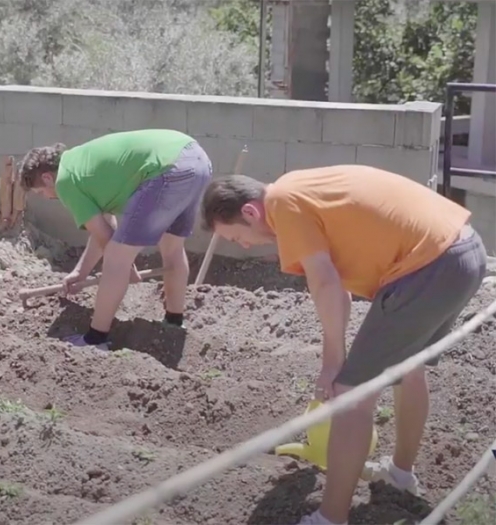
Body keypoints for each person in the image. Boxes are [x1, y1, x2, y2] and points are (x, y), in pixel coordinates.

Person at [199, 165, 487, 525]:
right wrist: (334, 355)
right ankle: (400, 476)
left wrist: (334, 363)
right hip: (463, 251)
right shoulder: (302, 189)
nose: (243, 246)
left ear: (250, 212)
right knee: (409, 369)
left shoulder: (284, 204)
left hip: (428, 266)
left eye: (236, 237)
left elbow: (324, 284)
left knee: (352, 393)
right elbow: (337, 288)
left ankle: (330, 517)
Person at [18, 129, 213, 350]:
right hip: (196, 159)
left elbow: (106, 240)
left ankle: (95, 339)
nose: (47, 197)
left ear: (47, 177)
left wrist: (125, 266)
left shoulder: (64, 181)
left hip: (167, 170)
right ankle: (174, 322)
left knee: (115, 258)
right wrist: (81, 272)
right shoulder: (81, 163)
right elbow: (105, 227)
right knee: (172, 247)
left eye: (41, 192)